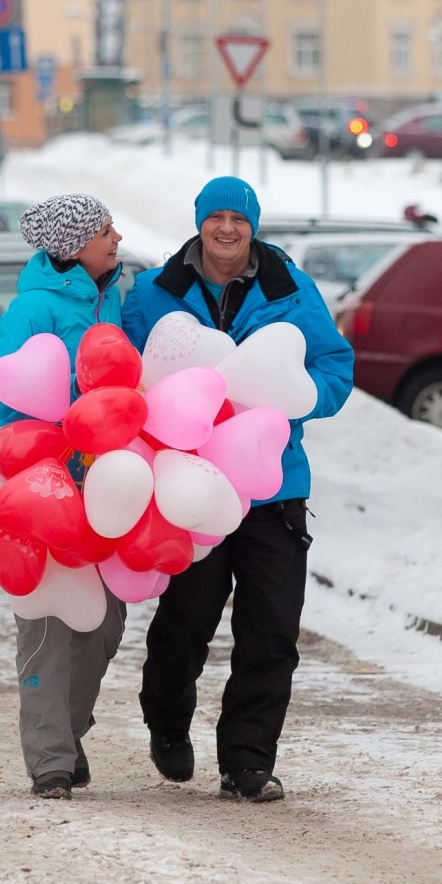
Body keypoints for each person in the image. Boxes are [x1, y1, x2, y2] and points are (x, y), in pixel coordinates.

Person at [121, 175, 354, 803]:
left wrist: (297, 405)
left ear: (253, 226)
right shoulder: (153, 293)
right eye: (216, 217)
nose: (227, 229)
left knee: (271, 627)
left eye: (239, 219)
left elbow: (333, 364)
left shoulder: (291, 289)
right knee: (187, 618)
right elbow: (125, 373)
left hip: (273, 484)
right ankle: (166, 720)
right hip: (191, 483)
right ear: (200, 223)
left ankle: (248, 762)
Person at [0, 193, 127, 801]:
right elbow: (5, 397)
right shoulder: (33, 308)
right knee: (47, 622)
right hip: (48, 485)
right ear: (72, 245)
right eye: (103, 229)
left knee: (105, 621)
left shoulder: (113, 298)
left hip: (112, 485)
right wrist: (73, 418)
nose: (116, 236)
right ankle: (49, 760)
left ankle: (68, 736)